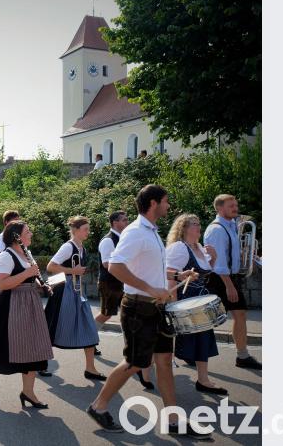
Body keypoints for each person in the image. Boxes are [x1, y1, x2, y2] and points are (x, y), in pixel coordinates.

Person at [87, 184, 208, 439]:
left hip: (155, 307)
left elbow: (149, 268)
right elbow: (115, 267)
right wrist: (151, 290)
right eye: (165, 201)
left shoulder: (152, 231)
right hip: (138, 307)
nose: (168, 205)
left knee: (164, 361)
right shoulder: (135, 232)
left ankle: (174, 420)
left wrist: (176, 275)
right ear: (153, 203)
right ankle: (98, 406)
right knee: (134, 363)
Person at [0, 220, 54, 408]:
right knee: (5, 350)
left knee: (33, 349)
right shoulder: (5, 256)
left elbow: (30, 278)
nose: (31, 234)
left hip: (30, 304)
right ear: (16, 236)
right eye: (28, 231)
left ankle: (28, 393)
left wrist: (41, 285)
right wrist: (27, 273)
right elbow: (3, 284)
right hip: (12, 306)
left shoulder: (27, 254)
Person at [166, 213, 227, 395]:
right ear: (183, 228)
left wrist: (214, 257)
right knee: (168, 342)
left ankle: (203, 380)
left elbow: (206, 272)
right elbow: (169, 275)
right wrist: (173, 307)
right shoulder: (179, 248)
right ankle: (145, 368)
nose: (198, 226)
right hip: (185, 301)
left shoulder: (199, 247)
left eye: (199, 223)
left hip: (199, 300)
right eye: (193, 224)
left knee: (203, 338)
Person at [203, 194, 261, 370]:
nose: (236, 208)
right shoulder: (217, 230)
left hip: (230, 277)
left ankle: (242, 356)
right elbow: (219, 263)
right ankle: (189, 350)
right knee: (208, 321)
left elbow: (232, 254)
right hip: (220, 279)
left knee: (240, 314)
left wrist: (250, 257)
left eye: (236, 205)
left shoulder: (232, 226)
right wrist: (229, 286)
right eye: (231, 206)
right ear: (220, 208)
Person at [46, 216, 105, 381]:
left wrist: (76, 272)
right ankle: (39, 362)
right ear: (76, 230)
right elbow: (51, 266)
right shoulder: (67, 247)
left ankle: (90, 368)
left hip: (78, 292)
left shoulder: (82, 248)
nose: (88, 232)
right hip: (63, 292)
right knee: (54, 328)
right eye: (85, 229)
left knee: (89, 328)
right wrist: (74, 271)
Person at [94, 211, 129, 359]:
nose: (127, 222)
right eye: (124, 220)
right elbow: (107, 264)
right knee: (106, 314)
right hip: (109, 283)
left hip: (123, 283)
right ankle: (89, 340)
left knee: (128, 315)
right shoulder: (108, 240)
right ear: (115, 222)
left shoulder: (123, 238)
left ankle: (130, 348)